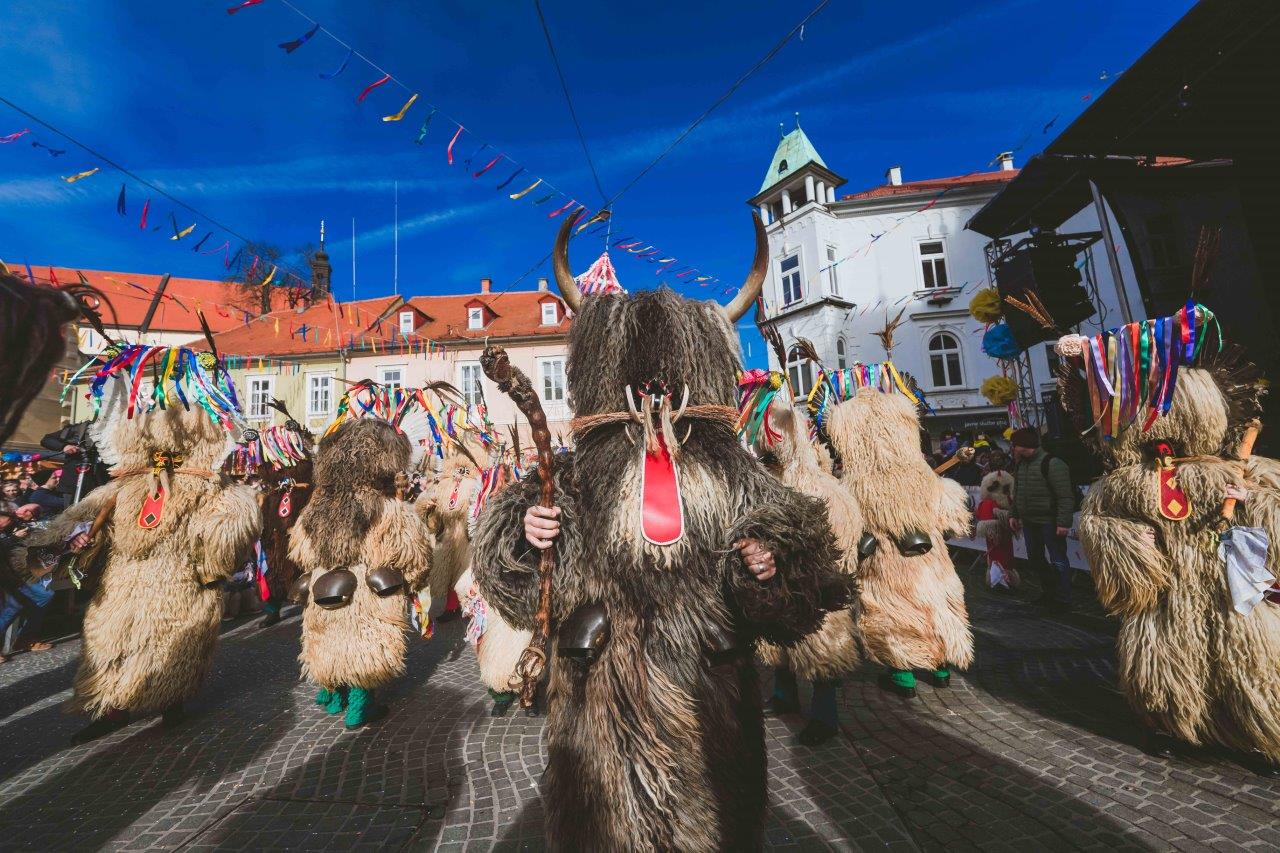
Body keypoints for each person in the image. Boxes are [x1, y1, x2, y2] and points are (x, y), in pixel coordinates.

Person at [1008, 427, 1075, 611]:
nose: (1013, 449)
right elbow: (1018, 492)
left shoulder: (1052, 464)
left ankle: (1063, 598)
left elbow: (1065, 496)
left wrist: (1063, 522)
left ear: (1023, 446)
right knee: (1035, 559)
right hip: (1030, 522)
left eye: (1015, 445)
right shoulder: (1021, 465)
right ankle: (1049, 593)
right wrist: (1014, 514)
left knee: (1058, 560)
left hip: (1050, 521)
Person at [40, 419, 108, 503]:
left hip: (100, 485)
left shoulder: (115, 432)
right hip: (73, 483)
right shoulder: (80, 429)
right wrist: (64, 446)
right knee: (71, 509)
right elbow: (46, 440)